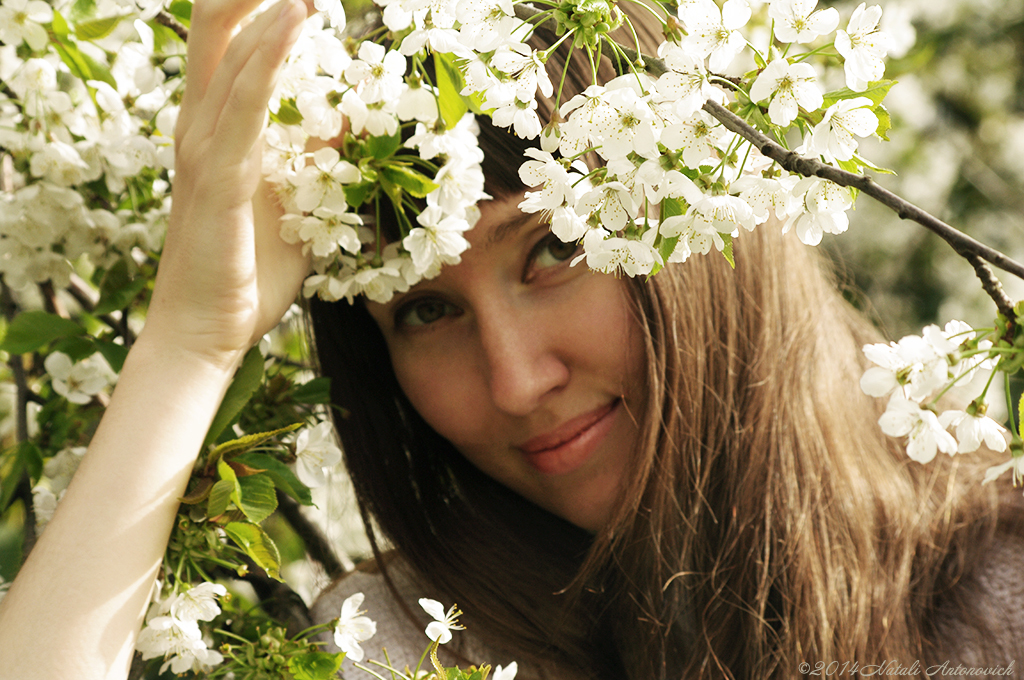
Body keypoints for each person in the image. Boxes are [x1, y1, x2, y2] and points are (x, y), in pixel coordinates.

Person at [0, 1, 1022, 679]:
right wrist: (192, 338)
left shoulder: (999, 594)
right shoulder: (416, 643)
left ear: (704, 212)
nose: (516, 379)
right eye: (424, 311)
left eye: (553, 247)